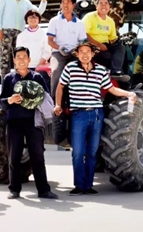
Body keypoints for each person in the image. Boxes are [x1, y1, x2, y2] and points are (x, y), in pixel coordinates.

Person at [53, 41, 136, 196]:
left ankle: (88, 185)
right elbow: (60, 86)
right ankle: (79, 185)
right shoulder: (70, 68)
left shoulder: (101, 70)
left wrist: (128, 93)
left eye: (87, 52)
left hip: (97, 114)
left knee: (92, 152)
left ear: (92, 54)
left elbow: (111, 89)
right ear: (77, 54)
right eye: (81, 52)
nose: (85, 54)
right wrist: (58, 104)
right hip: (79, 115)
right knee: (78, 152)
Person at [0, 46, 58, 200]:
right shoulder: (9, 78)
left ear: (29, 59)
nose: (21, 60)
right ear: (14, 60)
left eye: (24, 57)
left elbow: (46, 97)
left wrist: (34, 97)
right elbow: (1, 102)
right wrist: (10, 100)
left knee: (37, 156)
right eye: (18, 57)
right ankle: (14, 189)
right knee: (14, 156)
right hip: (14, 122)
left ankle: (44, 190)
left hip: (34, 122)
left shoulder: (37, 77)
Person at [0, 0, 47, 79]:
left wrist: (43, 2)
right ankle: (5, 81)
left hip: (20, 33)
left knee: (19, 57)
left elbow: (37, 12)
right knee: (4, 57)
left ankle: (18, 79)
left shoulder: (26, 2)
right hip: (6, 31)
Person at [46, 0, 87, 95]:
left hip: (74, 54)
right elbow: (50, 40)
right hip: (58, 53)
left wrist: (78, 52)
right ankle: (53, 100)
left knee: (81, 72)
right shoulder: (54, 21)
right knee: (56, 71)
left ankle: (77, 98)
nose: (65, 5)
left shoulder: (80, 23)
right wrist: (60, 48)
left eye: (68, 2)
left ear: (73, 4)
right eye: (63, 2)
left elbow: (82, 42)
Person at [82, 0, 129, 82]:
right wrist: (98, 45)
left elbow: (112, 38)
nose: (103, 6)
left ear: (109, 7)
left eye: (106, 3)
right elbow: (84, 34)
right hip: (90, 45)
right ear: (96, 6)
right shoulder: (89, 17)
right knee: (107, 56)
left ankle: (116, 73)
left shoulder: (110, 21)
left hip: (105, 45)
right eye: (101, 3)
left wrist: (121, 41)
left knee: (122, 49)